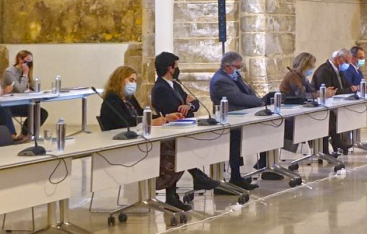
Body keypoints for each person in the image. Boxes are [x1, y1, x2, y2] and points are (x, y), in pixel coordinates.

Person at [98, 64, 192, 211]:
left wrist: (166, 118)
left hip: (139, 140)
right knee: (169, 147)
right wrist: (152, 122)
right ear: (120, 80)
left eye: (135, 81)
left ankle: (171, 194)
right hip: (124, 146)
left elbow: (142, 114)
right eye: (131, 80)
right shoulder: (112, 100)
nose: (133, 84)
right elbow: (126, 123)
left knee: (176, 145)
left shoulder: (128, 98)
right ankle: (164, 186)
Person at [152, 52, 221, 198]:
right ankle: (196, 178)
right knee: (182, 149)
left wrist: (189, 106)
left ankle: (198, 178)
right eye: (176, 66)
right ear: (170, 68)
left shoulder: (175, 85)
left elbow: (194, 103)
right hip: (169, 131)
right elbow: (177, 111)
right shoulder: (160, 88)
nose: (178, 69)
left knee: (187, 147)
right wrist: (186, 106)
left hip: (181, 127)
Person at [208, 51, 265, 189]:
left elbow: (248, 92)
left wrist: (258, 100)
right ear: (227, 66)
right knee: (234, 144)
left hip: (240, 117)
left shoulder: (234, 77)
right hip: (229, 119)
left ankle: (237, 176)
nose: (238, 70)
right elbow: (238, 98)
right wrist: (259, 102)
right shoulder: (220, 80)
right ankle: (232, 178)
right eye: (236, 67)